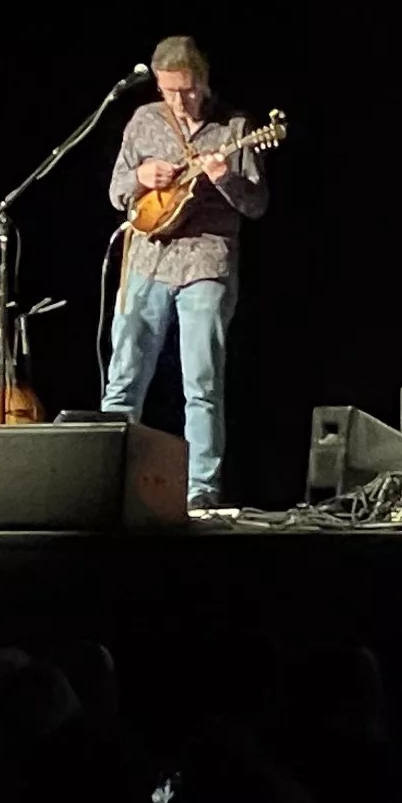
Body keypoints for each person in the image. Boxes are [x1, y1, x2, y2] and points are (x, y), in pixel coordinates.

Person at [102, 35, 269, 510]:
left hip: (205, 262)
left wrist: (225, 179)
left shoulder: (234, 128)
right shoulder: (144, 121)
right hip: (147, 261)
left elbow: (256, 203)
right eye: (169, 90)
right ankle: (109, 481)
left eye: (188, 89)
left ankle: (201, 492)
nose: (180, 100)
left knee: (201, 383)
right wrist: (140, 177)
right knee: (124, 379)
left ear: (204, 80)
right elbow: (117, 191)